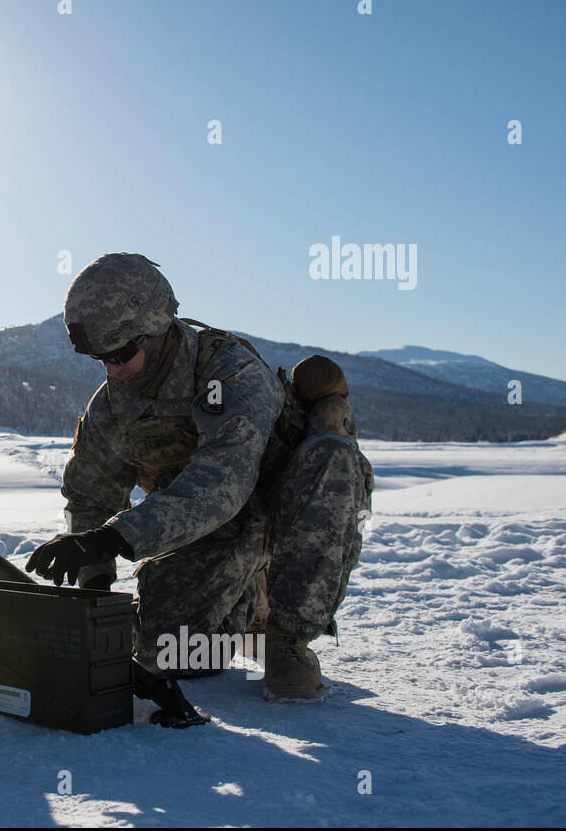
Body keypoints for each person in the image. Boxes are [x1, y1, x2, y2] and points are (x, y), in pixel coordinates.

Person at [26, 253, 373, 701]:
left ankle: (287, 638)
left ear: (156, 328)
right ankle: (246, 604)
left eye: (120, 354)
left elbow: (220, 483)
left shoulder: (229, 373)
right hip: (212, 530)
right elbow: (90, 497)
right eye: (99, 358)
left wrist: (113, 538)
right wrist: (94, 585)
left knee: (331, 456)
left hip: (280, 510)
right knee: (169, 654)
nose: (111, 369)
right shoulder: (112, 405)